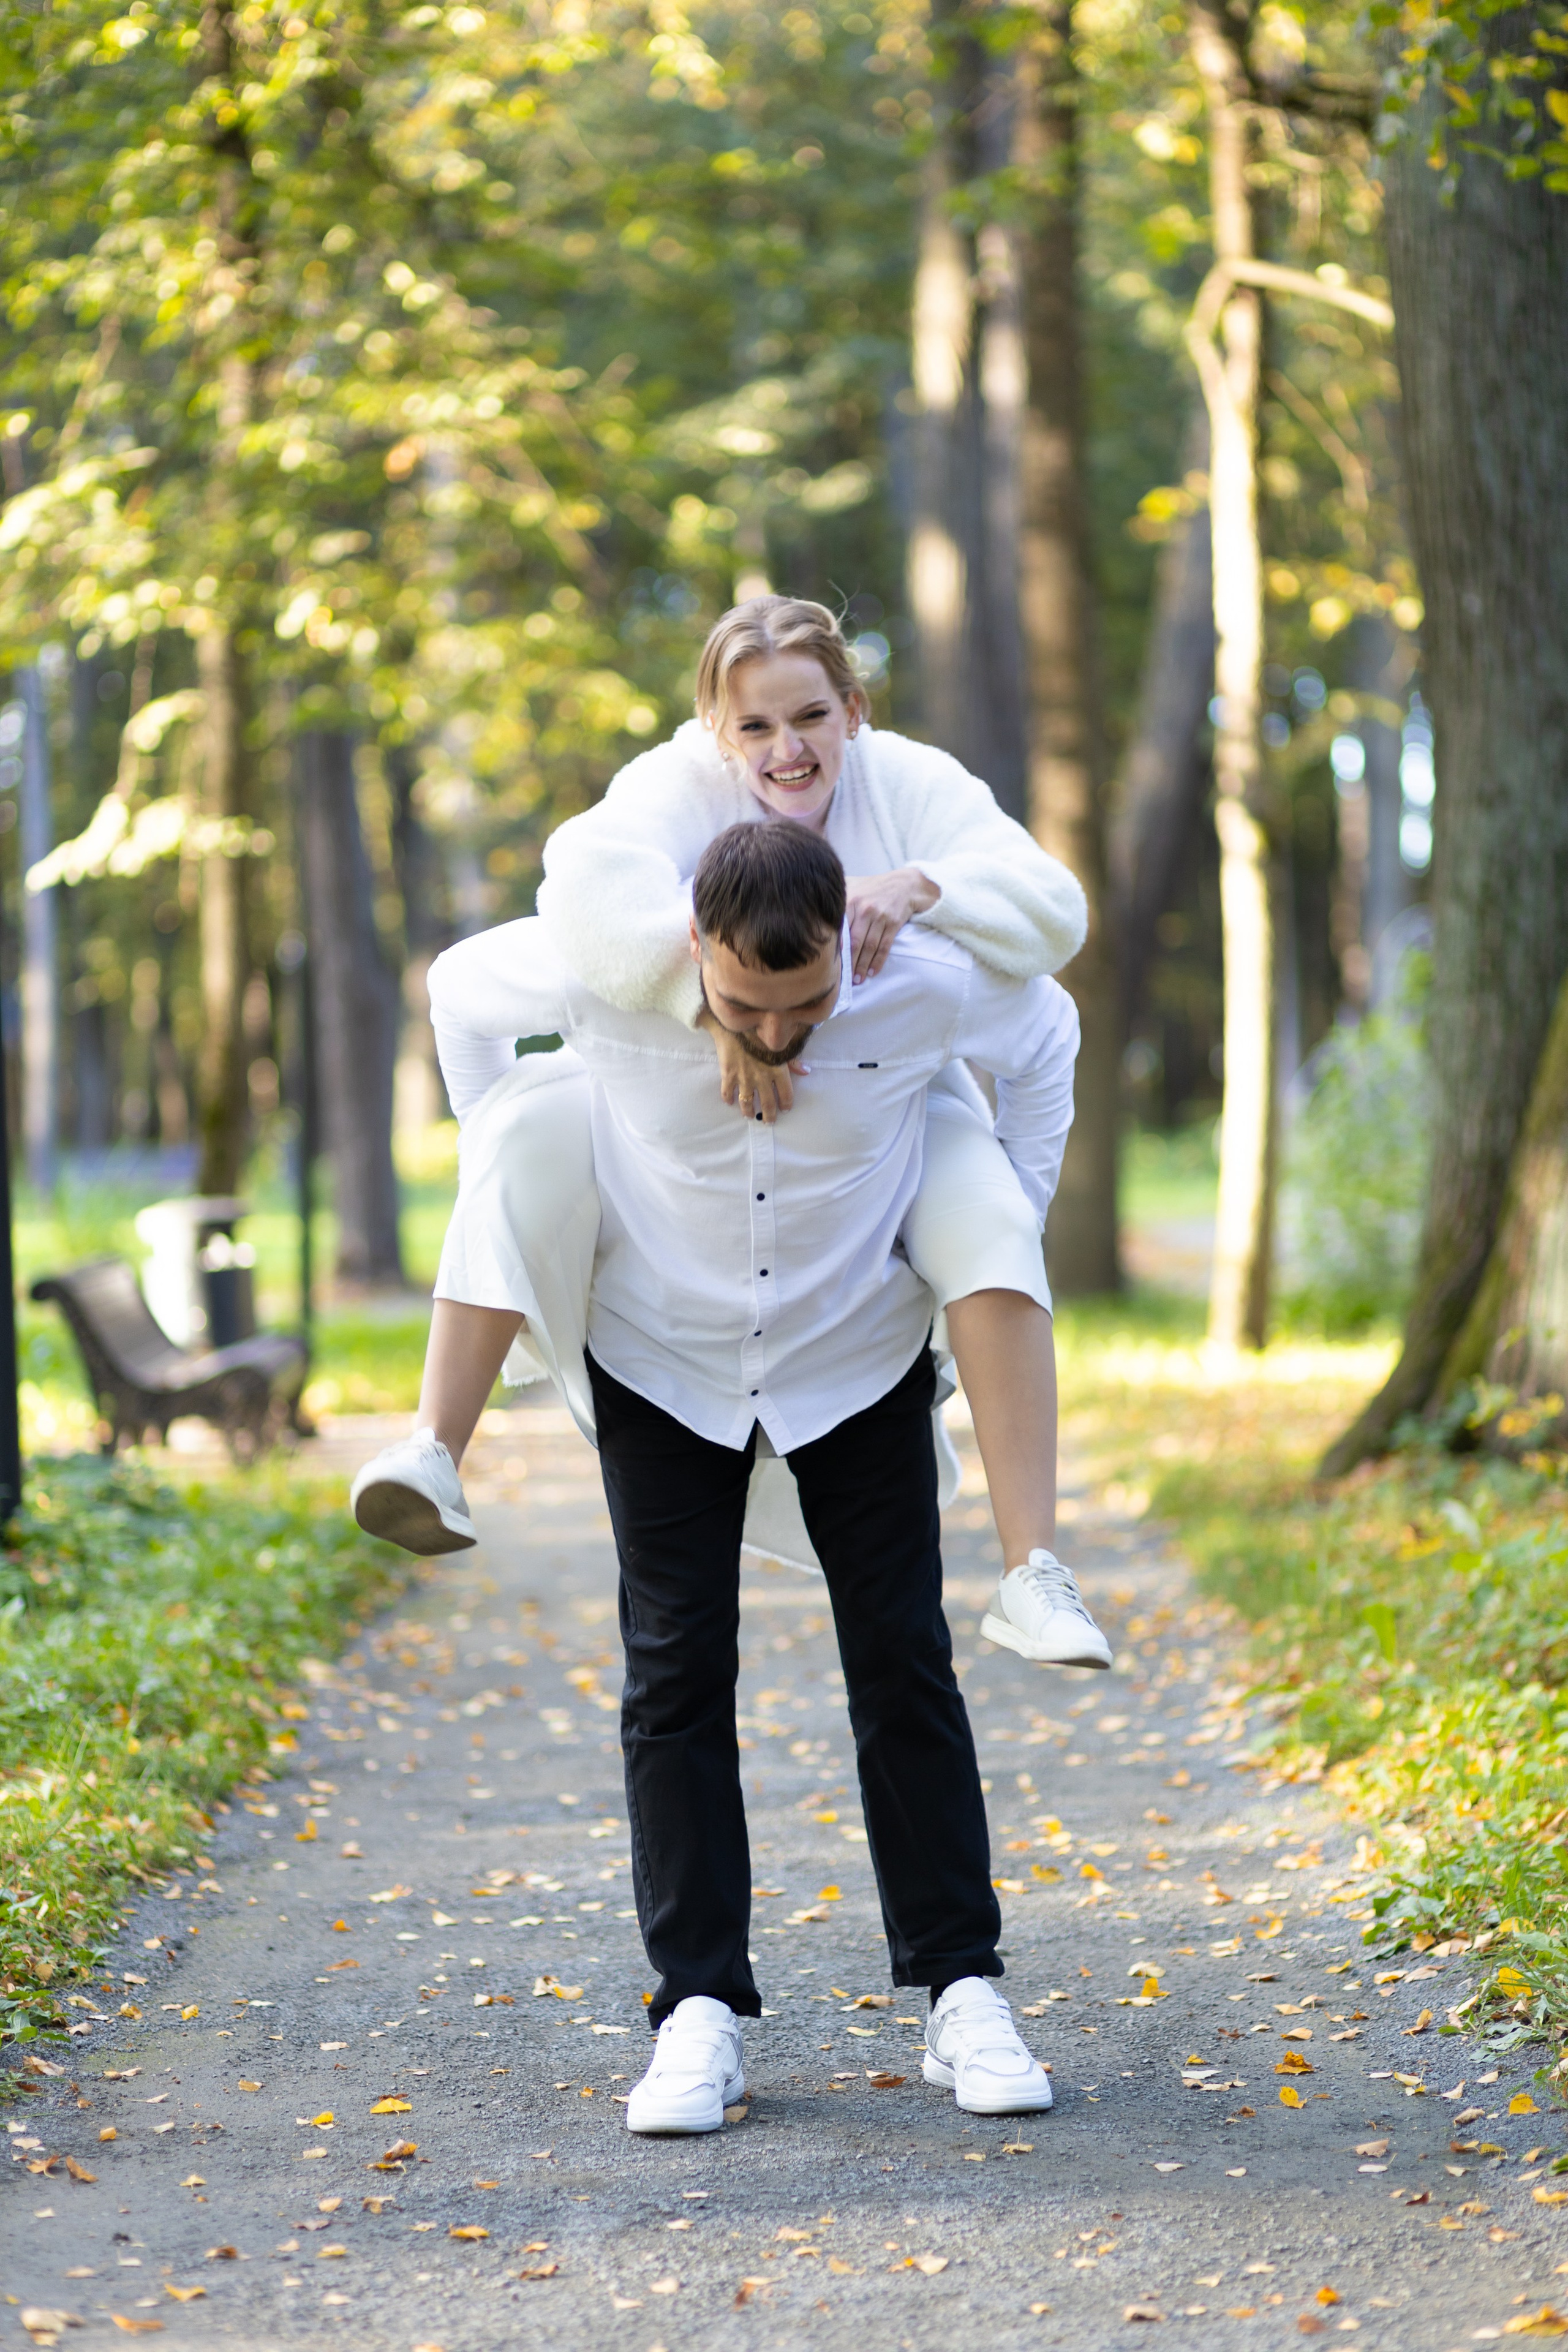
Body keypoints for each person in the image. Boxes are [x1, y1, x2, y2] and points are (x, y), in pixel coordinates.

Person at [421, 820, 1068, 2131]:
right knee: (673, 1670)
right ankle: (695, 2011)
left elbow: (1044, 1041)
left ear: (847, 940)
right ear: (688, 953)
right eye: (743, 1006)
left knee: (903, 1658)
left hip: (854, 1352)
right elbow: (457, 1004)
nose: (777, 1036)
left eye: (807, 1004)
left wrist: (1000, 1224)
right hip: (661, 1350)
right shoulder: (603, 976)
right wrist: (521, 1176)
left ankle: (961, 1990)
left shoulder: (919, 978)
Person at [352, 595, 1110, 1671]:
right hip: (663, 1104)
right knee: (525, 1125)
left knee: (987, 1213)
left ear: (853, 709)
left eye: (810, 717)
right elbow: (581, 891)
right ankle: (434, 1444)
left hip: (892, 1102)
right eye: (754, 726)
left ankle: (1033, 1568)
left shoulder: (915, 789)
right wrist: (708, 1008)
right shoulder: (676, 787)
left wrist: (924, 885)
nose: (786, 749)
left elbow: (1050, 919)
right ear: (717, 729)